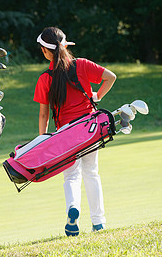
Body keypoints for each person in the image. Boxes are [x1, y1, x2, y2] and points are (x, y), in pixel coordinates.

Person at [33, 27, 117, 236]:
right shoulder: (82, 64)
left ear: (45, 51)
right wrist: (97, 96)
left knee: (71, 176)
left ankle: (73, 209)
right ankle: (98, 222)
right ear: (66, 46)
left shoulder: (45, 78)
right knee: (91, 173)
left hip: (65, 134)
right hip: (89, 127)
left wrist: (43, 139)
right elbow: (111, 77)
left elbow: (43, 115)